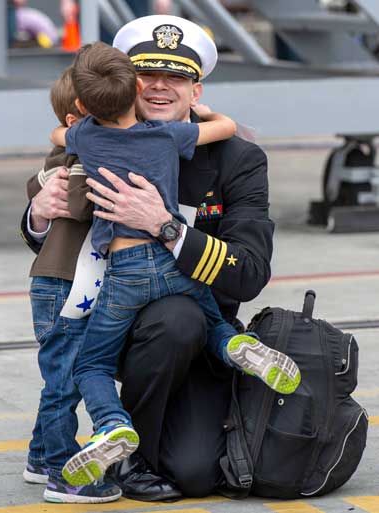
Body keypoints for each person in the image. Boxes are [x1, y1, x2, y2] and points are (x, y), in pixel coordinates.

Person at [21, 14, 276, 501]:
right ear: (124, 83)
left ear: (196, 92)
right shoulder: (96, 135)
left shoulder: (236, 158)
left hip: (183, 338)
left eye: (175, 77)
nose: (159, 87)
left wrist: (164, 225)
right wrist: (37, 213)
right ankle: (125, 454)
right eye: (146, 75)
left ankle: (133, 432)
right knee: (162, 322)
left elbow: (249, 273)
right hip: (105, 318)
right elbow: (56, 245)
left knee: (196, 473)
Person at [23, 66, 122, 504]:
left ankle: (40, 455)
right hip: (64, 282)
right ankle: (63, 471)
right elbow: (82, 205)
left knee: (57, 376)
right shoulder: (77, 160)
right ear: (75, 123)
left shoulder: (64, 155)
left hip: (65, 280)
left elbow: (36, 180)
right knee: (64, 378)